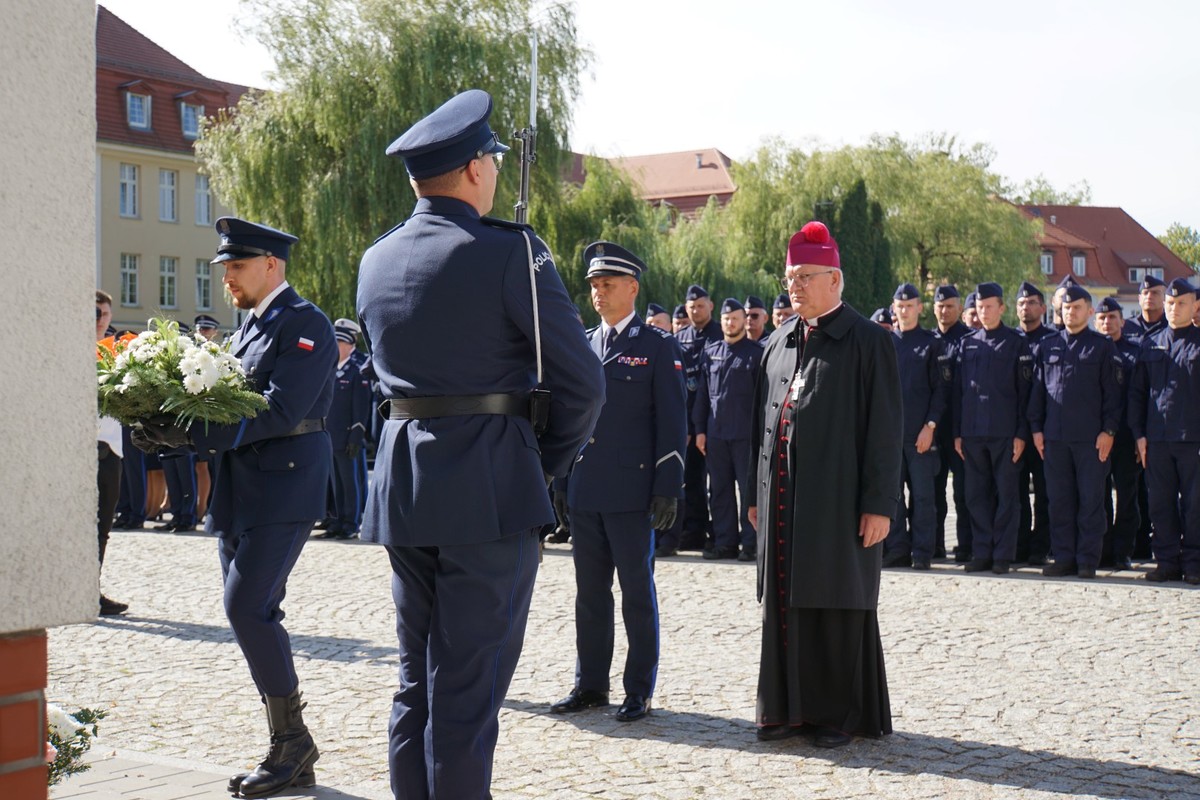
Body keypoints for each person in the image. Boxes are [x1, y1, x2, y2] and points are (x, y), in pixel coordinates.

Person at [356, 89, 604, 800]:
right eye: (490, 159)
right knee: (466, 694)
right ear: (472, 170)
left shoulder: (376, 260)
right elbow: (583, 385)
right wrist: (540, 466)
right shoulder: (510, 252)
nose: (495, 171)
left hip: (406, 484)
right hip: (490, 488)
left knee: (416, 684)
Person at [136, 216, 337, 797]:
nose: (226, 277)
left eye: (237, 266)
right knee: (246, 610)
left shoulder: (305, 325)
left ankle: (292, 743)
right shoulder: (248, 328)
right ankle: (290, 745)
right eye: (224, 267)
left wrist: (193, 436)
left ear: (271, 265)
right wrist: (170, 420)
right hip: (243, 487)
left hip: (286, 485)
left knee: (248, 605)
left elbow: (278, 411)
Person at [748, 220, 901, 748]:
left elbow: (885, 431)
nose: (796, 285)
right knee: (786, 602)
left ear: (835, 279)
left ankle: (836, 714)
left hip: (839, 502)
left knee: (835, 599)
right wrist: (755, 496)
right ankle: (787, 709)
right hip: (782, 501)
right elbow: (760, 427)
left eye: (807, 276)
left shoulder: (868, 341)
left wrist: (879, 504)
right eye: (791, 276)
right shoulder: (777, 342)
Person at [550, 241, 685, 724]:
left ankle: (639, 688)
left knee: (635, 592)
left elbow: (672, 423)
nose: (598, 293)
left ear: (632, 287)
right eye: (593, 286)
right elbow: (570, 419)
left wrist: (668, 485)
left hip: (633, 491)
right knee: (589, 594)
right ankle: (590, 684)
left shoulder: (656, 346)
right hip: (587, 489)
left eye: (607, 285)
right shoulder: (585, 344)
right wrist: (562, 480)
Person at [1028, 285, 1122, 579]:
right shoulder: (1048, 345)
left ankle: (1087, 560)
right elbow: (1039, 392)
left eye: (1077, 307)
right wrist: (1036, 428)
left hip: (1090, 439)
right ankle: (1064, 557)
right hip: (1055, 438)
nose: (1071, 312)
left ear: (1090, 311)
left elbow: (1113, 395)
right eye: (1066, 308)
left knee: (1091, 502)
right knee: (1059, 501)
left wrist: (1109, 430)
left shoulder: (1102, 347)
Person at [953, 283, 1033, 574]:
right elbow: (959, 392)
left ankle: (1003, 555)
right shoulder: (968, 343)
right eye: (979, 307)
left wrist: (1021, 433)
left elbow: (1025, 393)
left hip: (1005, 432)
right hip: (973, 433)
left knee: (1007, 496)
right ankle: (982, 552)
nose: (984, 312)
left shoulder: (1016, 343)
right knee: (976, 496)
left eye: (989, 307)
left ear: (1002, 308)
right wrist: (958, 433)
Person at [1128, 278, 1200, 584]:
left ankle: (1195, 564)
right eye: (1170, 304)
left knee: (1195, 505)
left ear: (1195, 306)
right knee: (1160, 503)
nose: (1173, 308)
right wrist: (1139, 434)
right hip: (1156, 439)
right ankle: (1167, 562)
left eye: (1181, 303)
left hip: (1193, 439)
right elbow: (1137, 394)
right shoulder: (1151, 343)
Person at [882, 283, 948, 570]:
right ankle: (897, 549)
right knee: (892, 497)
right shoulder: (885, 345)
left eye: (910, 306)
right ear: (894, 309)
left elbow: (941, 391)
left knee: (923, 497)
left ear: (920, 308)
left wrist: (930, 426)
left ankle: (922, 552)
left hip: (921, 436)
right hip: (891, 438)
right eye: (900, 306)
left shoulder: (931, 344)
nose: (905, 310)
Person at [693, 298, 763, 561]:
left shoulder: (756, 354)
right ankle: (725, 543)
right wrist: (699, 429)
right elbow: (703, 395)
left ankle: (751, 543)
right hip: (716, 435)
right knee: (719, 491)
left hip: (745, 436)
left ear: (744, 321)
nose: (730, 323)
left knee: (748, 492)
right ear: (720, 321)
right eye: (726, 319)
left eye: (735, 318)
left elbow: (763, 401)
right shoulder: (710, 352)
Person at [1095, 297, 1141, 570]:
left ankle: (1123, 551)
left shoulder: (1134, 352)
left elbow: (1140, 397)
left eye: (1112, 317)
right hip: (1098, 436)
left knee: (1127, 496)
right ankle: (1103, 549)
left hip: (1125, 436)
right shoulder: (1092, 350)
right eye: (1102, 318)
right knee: (1098, 496)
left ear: (1122, 321)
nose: (1107, 322)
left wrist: (1138, 435)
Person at [320, 319, 373, 540]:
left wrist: (356, 435)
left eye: (339, 343)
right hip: (331, 435)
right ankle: (338, 520)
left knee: (350, 483)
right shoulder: (331, 368)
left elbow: (361, 408)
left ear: (350, 344)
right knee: (336, 483)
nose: (335, 347)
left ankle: (351, 523)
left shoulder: (357, 369)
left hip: (348, 436)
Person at [1014, 281, 1054, 565]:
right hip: (1014, 429)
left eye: (1031, 303)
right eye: (1020, 303)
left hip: (1044, 430)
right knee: (1015, 493)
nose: (1025, 307)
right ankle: (1019, 545)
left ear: (1042, 307)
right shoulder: (1009, 340)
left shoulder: (1052, 340)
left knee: (1044, 492)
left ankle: (1041, 546)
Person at [931, 284, 971, 561]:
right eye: (940, 306)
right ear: (933, 308)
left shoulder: (969, 339)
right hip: (932, 428)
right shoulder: (928, 339)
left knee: (963, 492)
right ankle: (933, 544)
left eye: (950, 306)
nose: (945, 311)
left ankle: (966, 545)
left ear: (959, 308)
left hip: (960, 427)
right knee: (932, 491)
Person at [96, 291, 128, 616]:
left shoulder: (116, 352)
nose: (102, 319)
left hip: (112, 447)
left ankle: (94, 587)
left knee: (104, 523)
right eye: (96, 313)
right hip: (82, 449)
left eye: (106, 313)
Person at [1123, 275, 1168, 345]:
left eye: (1155, 293)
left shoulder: (1171, 327)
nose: (1149, 297)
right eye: (1145, 293)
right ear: (1139, 299)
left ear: (1165, 299)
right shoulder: (1126, 326)